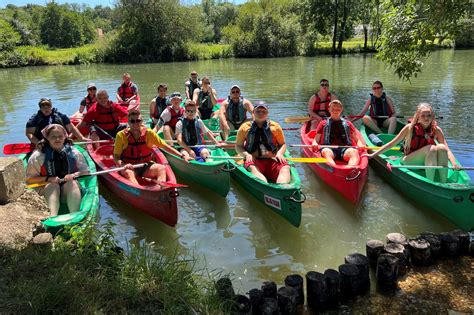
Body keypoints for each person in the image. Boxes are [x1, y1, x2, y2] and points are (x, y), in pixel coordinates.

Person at [368, 103, 459, 182]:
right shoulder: (409, 128)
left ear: (432, 116)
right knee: (431, 148)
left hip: (427, 160)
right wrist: (373, 155)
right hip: (408, 160)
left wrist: (454, 164)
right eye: (423, 115)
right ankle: (430, 183)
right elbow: (392, 144)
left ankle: (444, 181)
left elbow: (447, 150)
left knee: (442, 147)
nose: (426, 118)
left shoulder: (437, 130)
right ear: (418, 116)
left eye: (429, 115)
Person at [26, 124, 90, 216]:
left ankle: (75, 217)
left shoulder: (74, 152)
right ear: (47, 138)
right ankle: (52, 218)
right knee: (53, 186)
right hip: (46, 192)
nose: (57, 139)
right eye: (53, 137)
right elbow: (29, 180)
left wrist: (74, 175)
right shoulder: (38, 156)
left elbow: (86, 171)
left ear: (65, 136)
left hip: (67, 191)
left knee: (72, 183)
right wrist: (49, 179)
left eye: (60, 136)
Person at [114, 110, 190, 186]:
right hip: (129, 167)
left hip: (145, 166)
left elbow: (165, 146)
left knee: (161, 168)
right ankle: (139, 192)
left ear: (142, 121)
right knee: (128, 172)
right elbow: (116, 157)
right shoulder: (121, 135)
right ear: (128, 122)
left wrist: (182, 156)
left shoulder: (149, 133)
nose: (135, 124)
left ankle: (160, 189)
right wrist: (123, 164)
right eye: (132, 121)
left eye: (138, 121)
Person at [235, 101, 291, 184]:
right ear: (253, 112)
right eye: (258, 111)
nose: (261, 113)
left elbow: (282, 144)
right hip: (254, 161)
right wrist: (247, 155)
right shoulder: (244, 127)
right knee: (252, 168)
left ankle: (282, 188)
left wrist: (279, 154)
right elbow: (238, 146)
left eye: (264, 111)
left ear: (267, 113)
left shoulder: (275, 127)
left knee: (285, 167)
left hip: (272, 159)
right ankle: (265, 186)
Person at [311, 100, 364, 167]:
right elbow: (316, 140)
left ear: (341, 109)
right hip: (329, 148)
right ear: (329, 109)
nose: (335, 111)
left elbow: (357, 140)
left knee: (354, 152)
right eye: (332, 109)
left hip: (345, 149)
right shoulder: (323, 123)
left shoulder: (348, 124)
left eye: (337, 109)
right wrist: (315, 144)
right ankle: (333, 169)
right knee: (326, 151)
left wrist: (360, 145)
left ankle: (350, 169)